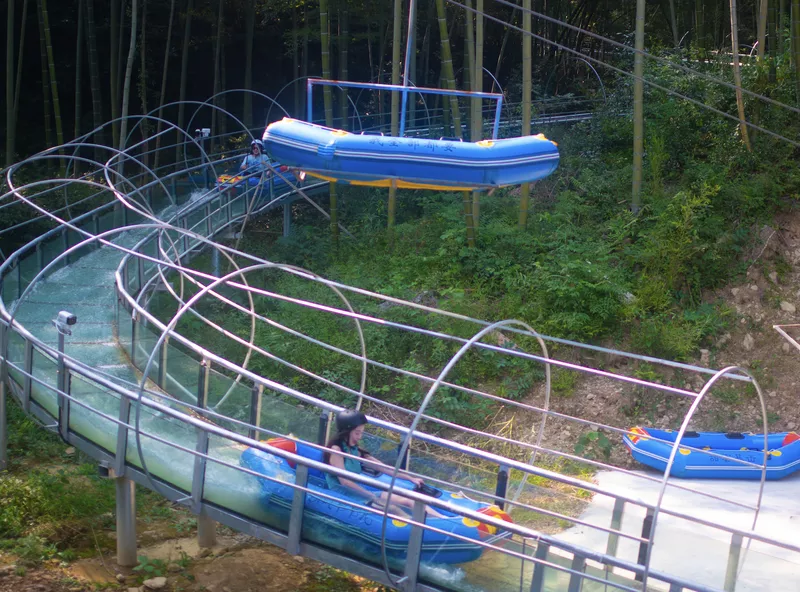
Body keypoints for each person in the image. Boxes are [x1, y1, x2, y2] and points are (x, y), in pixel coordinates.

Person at [325, 409, 446, 518]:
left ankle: (443, 520)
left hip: (360, 493)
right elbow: (345, 482)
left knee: (408, 501)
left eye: (361, 432)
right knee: (392, 509)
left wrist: (411, 478)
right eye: (357, 433)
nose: (360, 437)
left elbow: (383, 468)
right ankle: (419, 529)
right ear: (346, 432)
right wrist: (369, 495)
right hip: (345, 495)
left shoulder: (356, 450)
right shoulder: (336, 450)